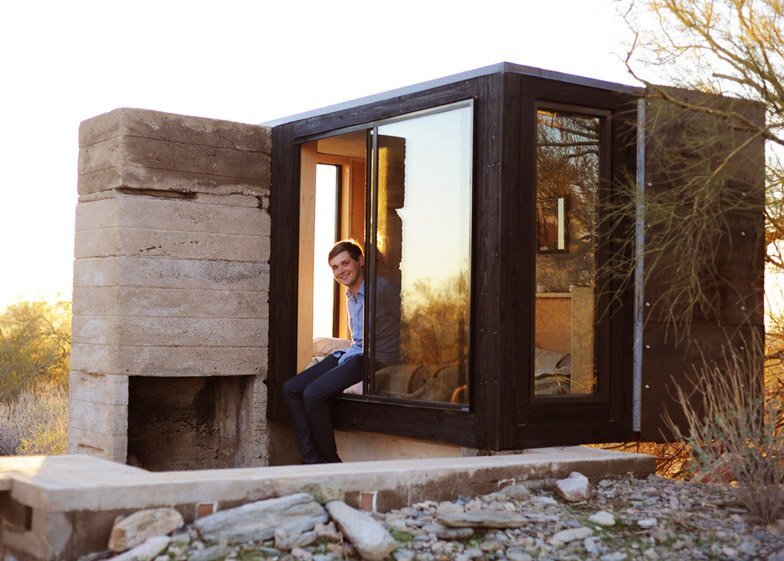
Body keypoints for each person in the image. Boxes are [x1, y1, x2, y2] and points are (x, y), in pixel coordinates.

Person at [282, 239, 399, 464]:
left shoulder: (383, 289)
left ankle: (331, 463)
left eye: (345, 263)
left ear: (360, 261)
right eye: (335, 267)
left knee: (314, 394)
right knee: (291, 389)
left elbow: (412, 324)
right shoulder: (350, 296)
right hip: (354, 354)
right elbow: (358, 341)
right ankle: (311, 459)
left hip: (377, 357)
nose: (340, 271)